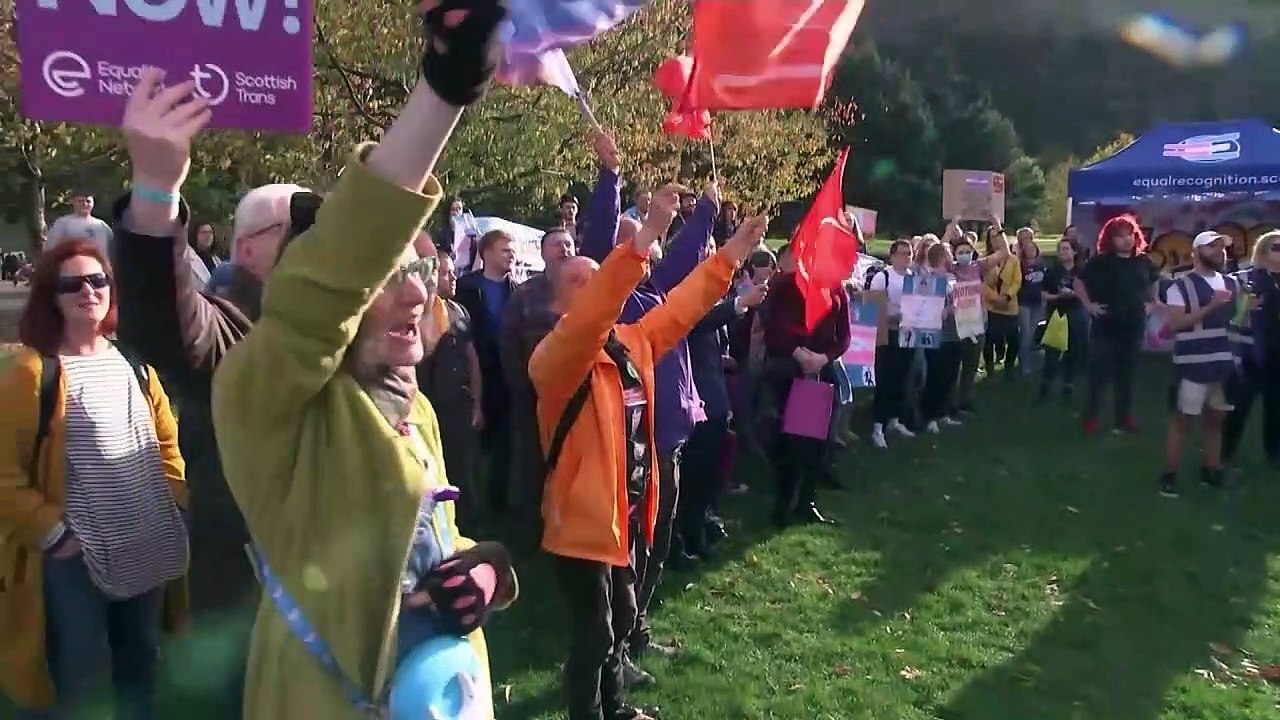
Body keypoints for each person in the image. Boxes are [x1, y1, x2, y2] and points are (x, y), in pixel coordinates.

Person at [211, 3, 520, 716]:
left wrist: (486, 573)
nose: (415, 294)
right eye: (389, 278)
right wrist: (447, 87)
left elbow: (436, 538)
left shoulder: (414, 407)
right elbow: (338, 267)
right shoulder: (265, 401)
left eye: (422, 272)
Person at [530, 181, 764, 720]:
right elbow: (594, 313)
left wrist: (730, 256)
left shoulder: (630, 342)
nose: (596, 289)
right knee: (595, 630)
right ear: (559, 300)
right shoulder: (555, 358)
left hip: (627, 512)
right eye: (580, 282)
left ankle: (615, 709)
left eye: (598, 279)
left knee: (622, 612)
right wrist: (650, 232)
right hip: (582, 522)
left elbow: (681, 308)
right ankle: (589, 714)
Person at [1, 239, 188, 718]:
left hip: (144, 548)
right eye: (72, 284)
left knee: (141, 668)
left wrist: (173, 502)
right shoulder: (30, 372)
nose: (88, 291)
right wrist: (55, 534)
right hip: (72, 562)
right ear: (51, 297)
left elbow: (167, 447)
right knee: (80, 680)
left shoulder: (133, 364)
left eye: (98, 279)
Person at [575, 131, 719, 680]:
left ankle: (637, 634)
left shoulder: (655, 293)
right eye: (630, 244)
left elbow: (686, 260)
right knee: (624, 561)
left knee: (652, 550)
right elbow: (594, 242)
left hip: (670, 442)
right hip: (632, 448)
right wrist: (610, 177)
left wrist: (705, 209)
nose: (645, 250)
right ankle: (615, 659)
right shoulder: (606, 303)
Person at [678, 259, 768, 560]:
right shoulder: (680, 299)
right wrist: (740, 302)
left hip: (716, 402)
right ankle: (687, 538)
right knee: (694, 477)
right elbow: (695, 322)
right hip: (696, 407)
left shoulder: (712, 299)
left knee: (710, 476)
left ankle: (702, 525)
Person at [762, 240, 852, 526]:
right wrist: (798, 352)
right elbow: (773, 325)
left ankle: (806, 502)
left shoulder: (836, 288)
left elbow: (844, 335)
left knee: (817, 441)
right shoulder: (786, 285)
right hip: (789, 369)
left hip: (820, 371)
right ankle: (782, 504)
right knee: (789, 441)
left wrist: (823, 357)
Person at [500, 225, 576, 543]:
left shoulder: (585, 289)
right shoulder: (524, 295)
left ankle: (571, 528)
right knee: (533, 462)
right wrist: (522, 387)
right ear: (543, 253)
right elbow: (507, 343)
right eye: (557, 244)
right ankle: (532, 531)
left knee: (571, 462)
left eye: (569, 244)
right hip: (534, 396)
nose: (565, 249)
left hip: (577, 396)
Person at [1157, 231, 1241, 496]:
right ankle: (1169, 475)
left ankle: (1211, 469)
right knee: (1183, 421)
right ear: (1197, 252)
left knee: (1217, 419)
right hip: (1193, 364)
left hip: (1224, 364)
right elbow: (1175, 325)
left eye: (1222, 246)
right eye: (1213, 246)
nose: (1220, 251)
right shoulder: (1179, 287)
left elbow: (1237, 321)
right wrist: (1212, 306)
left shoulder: (1232, 283)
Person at [415, 243, 484, 531]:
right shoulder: (416, 313)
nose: (452, 278)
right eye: (444, 273)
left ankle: (467, 525)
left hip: (458, 403)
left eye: (453, 273)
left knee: (462, 467)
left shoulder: (459, 312)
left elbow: (472, 360)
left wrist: (478, 403)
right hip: (427, 403)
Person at [1075, 215, 1158, 436]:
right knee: (1098, 376)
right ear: (1110, 239)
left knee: (1127, 375)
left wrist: (1152, 302)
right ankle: (1091, 418)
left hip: (1133, 326)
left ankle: (1124, 417)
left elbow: (1154, 280)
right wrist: (1089, 305)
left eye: (1129, 235)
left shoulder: (1143, 261)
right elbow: (1078, 281)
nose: (1126, 240)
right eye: (1120, 236)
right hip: (1105, 326)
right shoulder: (1100, 262)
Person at [454, 230, 517, 517]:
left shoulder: (518, 292)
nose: (511, 255)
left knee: (505, 446)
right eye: (505, 250)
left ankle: (497, 508)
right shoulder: (465, 290)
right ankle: (470, 510)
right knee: (474, 448)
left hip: (509, 380)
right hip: (476, 376)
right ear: (487, 253)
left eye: (512, 250)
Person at [1222, 231, 1280, 470]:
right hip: (1248, 355)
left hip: (1277, 356)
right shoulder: (1244, 279)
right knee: (1238, 406)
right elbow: (1231, 317)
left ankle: (1274, 454)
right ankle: (1224, 454)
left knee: (1276, 407)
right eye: (1276, 247)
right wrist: (1245, 307)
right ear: (1263, 251)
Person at [868, 240, 916, 448]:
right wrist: (894, 316)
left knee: (903, 376)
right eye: (903, 253)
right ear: (893, 256)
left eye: (910, 254)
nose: (907, 257)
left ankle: (894, 419)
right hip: (888, 335)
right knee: (886, 379)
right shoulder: (883, 277)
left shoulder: (913, 277)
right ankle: (877, 426)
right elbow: (874, 306)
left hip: (908, 333)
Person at [920, 243, 963, 434]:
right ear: (940, 256)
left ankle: (943, 412)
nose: (952, 256)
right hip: (938, 335)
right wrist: (945, 311)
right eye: (948, 253)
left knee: (950, 375)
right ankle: (929, 417)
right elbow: (924, 307)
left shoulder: (953, 277)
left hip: (955, 333)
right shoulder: (929, 279)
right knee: (936, 376)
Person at [1039, 237, 1087, 401]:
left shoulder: (1082, 272)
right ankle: (1046, 385)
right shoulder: (1052, 271)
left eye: (1066, 248)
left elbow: (1090, 295)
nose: (1063, 252)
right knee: (1052, 352)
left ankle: (1069, 384)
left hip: (1076, 314)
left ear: (1074, 252)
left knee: (1073, 351)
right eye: (1060, 249)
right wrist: (1058, 295)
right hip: (1057, 315)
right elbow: (1043, 294)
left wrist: (1076, 294)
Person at [981, 223, 1021, 381]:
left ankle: (1009, 367)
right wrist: (994, 298)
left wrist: (1007, 296)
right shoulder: (984, 259)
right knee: (989, 339)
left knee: (1013, 339)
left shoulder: (1013, 259)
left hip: (1010, 306)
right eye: (992, 238)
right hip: (991, 306)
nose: (995, 240)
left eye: (998, 237)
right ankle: (990, 367)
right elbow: (980, 282)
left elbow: (1017, 281)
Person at [1015, 228, 1046, 377]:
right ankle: (1024, 364)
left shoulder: (1042, 264)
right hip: (1023, 302)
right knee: (1026, 333)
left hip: (1037, 302)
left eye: (1033, 248)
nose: (1031, 250)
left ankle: (1030, 361)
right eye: (1028, 248)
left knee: (1032, 333)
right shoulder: (1020, 264)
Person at [46, 191, 114, 257]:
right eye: (81, 201)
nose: (84, 204)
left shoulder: (102, 225)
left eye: (88, 201)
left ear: (93, 203)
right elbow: (51, 247)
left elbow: (114, 247)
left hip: (99, 266)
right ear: (73, 202)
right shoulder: (62, 223)